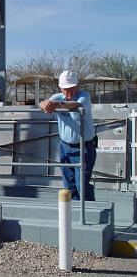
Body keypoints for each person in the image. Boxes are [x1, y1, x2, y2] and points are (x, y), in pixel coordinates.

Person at [39, 70, 96, 201]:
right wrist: (45, 104)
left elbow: (77, 105)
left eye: (71, 88)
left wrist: (57, 105)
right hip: (65, 147)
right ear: (61, 88)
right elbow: (42, 104)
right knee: (69, 185)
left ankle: (88, 213)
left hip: (83, 148)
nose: (68, 92)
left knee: (81, 185)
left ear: (77, 86)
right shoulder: (57, 97)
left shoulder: (84, 96)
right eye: (65, 89)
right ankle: (74, 212)